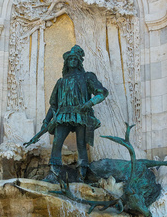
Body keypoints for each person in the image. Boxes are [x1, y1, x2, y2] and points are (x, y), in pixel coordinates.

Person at [26, 44, 108, 181]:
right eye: (70, 59)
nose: (72, 61)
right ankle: (55, 168)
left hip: (80, 114)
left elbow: (102, 93)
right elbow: (53, 104)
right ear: (66, 62)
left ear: (79, 62)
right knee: (57, 141)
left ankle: (83, 169)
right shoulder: (61, 82)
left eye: (75, 59)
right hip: (63, 115)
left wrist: (89, 104)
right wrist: (46, 121)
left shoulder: (87, 77)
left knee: (81, 143)